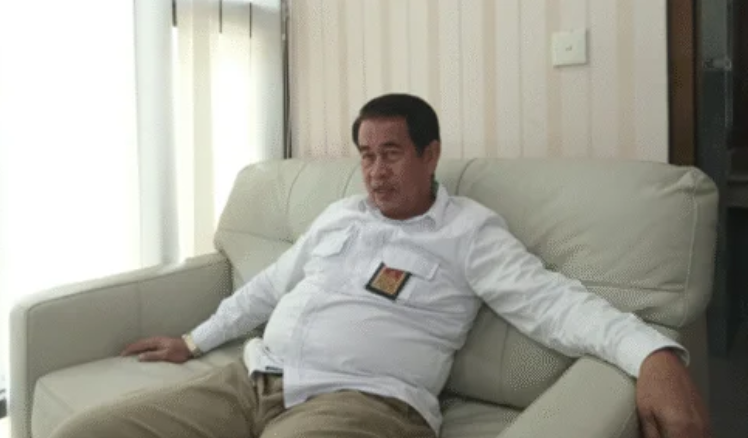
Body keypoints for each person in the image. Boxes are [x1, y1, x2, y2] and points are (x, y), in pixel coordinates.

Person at [50, 93, 710, 438]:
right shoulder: (340, 217)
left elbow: (553, 302)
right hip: (254, 383)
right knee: (87, 432)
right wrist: (194, 340)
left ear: (430, 154)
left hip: (366, 406)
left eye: (391, 152)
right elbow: (270, 287)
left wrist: (652, 353)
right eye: (366, 155)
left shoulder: (468, 232)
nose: (374, 171)